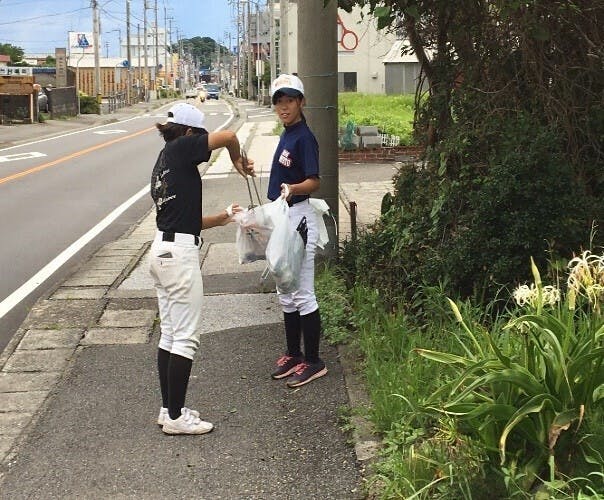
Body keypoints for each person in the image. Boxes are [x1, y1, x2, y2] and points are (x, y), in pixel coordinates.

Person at [149, 102, 254, 434]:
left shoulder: (165, 161)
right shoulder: (181, 148)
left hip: (163, 248)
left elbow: (187, 221)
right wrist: (237, 160)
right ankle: (177, 419)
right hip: (178, 257)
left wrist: (223, 218)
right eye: (201, 138)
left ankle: (170, 410)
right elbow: (229, 135)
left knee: (170, 334)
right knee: (186, 338)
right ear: (191, 133)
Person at [268, 74, 328, 388]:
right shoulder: (286, 133)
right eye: (279, 101)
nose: (284, 107)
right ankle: (294, 354)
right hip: (284, 219)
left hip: (301, 219)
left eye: (289, 101)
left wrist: (292, 188)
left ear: (301, 102)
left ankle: (314, 361)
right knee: (286, 293)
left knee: (303, 293)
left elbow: (315, 181)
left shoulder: (304, 137)